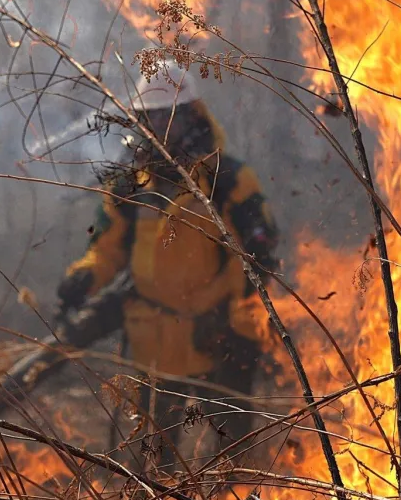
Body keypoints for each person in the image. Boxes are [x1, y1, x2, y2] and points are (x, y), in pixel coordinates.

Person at [56, 64, 283, 470]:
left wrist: (227, 312)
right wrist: (84, 277)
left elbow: (260, 255)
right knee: (155, 461)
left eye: (169, 113)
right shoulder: (129, 184)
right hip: (155, 341)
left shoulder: (227, 179)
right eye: (151, 115)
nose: (160, 124)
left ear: (192, 113)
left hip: (221, 337)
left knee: (235, 457)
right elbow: (107, 249)